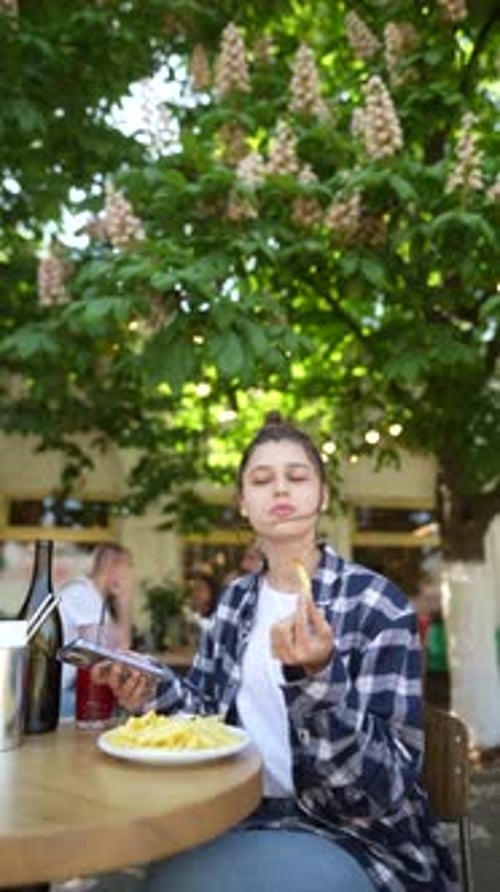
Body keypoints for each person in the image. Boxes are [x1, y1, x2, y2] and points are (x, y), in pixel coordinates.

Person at [95, 414, 458, 892]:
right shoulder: (236, 601)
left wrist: (318, 678)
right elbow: (208, 724)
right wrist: (151, 691)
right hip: (237, 816)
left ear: (323, 496)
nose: (280, 490)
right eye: (262, 480)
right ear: (243, 504)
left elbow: (379, 789)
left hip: (353, 836)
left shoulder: (377, 605)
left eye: (298, 477)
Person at [58, 542, 134, 716]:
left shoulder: (92, 596)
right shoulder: (83, 595)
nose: (131, 576)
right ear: (112, 566)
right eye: (128, 567)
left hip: (67, 690)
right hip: (61, 696)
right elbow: (120, 651)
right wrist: (125, 602)